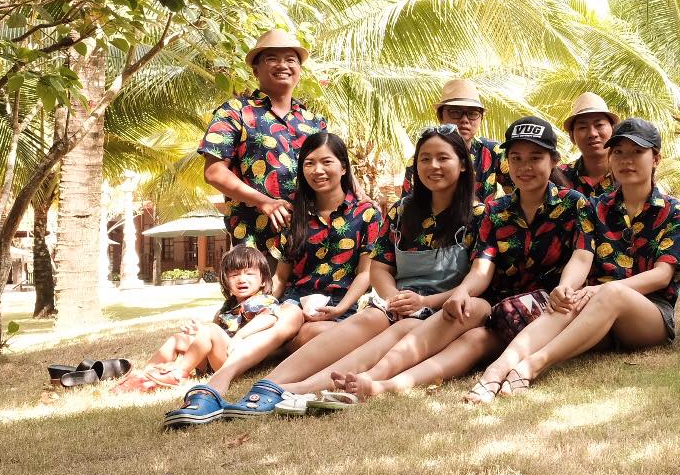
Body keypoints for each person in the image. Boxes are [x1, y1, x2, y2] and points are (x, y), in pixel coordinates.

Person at [208, 124, 483, 415]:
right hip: (395, 302)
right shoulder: (401, 211)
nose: (433, 166)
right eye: (424, 159)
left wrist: (423, 302)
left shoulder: (478, 215)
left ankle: (303, 387)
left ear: (463, 164)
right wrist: (393, 298)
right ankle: (269, 384)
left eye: (443, 158)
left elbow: (480, 275)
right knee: (367, 319)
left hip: (439, 305)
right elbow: (380, 268)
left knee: (399, 327)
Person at [335, 116, 599, 404]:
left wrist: (565, 286)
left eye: (535, 158)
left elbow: (582, 254)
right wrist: (462, 292)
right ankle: (375, 379)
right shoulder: (495, 211)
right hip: (499, 308)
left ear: (554, 161)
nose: (525, 167)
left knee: (476, 334)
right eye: (516, 158)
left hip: (550, 304)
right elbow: (483, 267)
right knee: (465, 316)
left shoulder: (574, 203)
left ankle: (386, 386)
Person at [497, 118, 680, 388]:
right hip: (596, 306)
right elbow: (582, 256)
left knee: (611, 293)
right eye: (618, 152)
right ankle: (496, 371)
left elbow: (661, 276)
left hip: (650, 315)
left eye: (637, 152)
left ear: (655, 158)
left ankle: (534, 364)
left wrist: (601, 290)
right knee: (566, 302)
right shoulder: (595, 207)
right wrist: (566, 287)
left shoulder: (674, 212)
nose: (626, 160)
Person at [199, 29, 326, 265]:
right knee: (259, 290)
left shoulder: (314, 122)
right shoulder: (235, 111)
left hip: (312, 241)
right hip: (255, 245)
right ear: (256, 70)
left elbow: (335, 172)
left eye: (290, 59)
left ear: (299, 69)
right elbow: (214, 172)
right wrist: (264, 201)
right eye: (272, 59)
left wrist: (360, 196)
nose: (283, 65)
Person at [270, 131, 386, 346]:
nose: (317, 170)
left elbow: (365, 273)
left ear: (343, 167)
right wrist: (265, 304)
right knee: (284, 323)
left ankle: (282, 347)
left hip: (342, 304)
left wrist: (340, 309)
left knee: (314, 333)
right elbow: (280, 276)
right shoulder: (294, 214)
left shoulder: (367, 214)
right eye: (309, 163)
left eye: (326, 162)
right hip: (294, 303)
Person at [119, 245, 275, 396]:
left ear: (263, 280)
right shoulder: (229, 306)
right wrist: (199, 333)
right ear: (226, 281)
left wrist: (239, 336)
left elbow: (269, 317)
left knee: (210, 329)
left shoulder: (263, 300)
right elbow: (215, 334)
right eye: (234, 275)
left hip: (236, 361)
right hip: (216, 358)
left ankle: (179, 373)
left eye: (249, 274)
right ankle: (147, 374)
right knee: (178, 339)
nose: (241, 279)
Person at [402, 78, 504, 202]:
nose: (464, 120)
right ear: (440, 116)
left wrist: (492, 211)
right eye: (455, 112)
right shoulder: (421, 161)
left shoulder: (494, 151)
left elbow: (520, 194)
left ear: (481, 118)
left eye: (472, 113)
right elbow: (409, 205)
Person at [553, 92, 619, 194]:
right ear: (572, 136)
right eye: (583, 127)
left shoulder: (630, 172)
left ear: (613, 130)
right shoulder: (557, 176)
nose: (592, 133)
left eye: (599, 125)